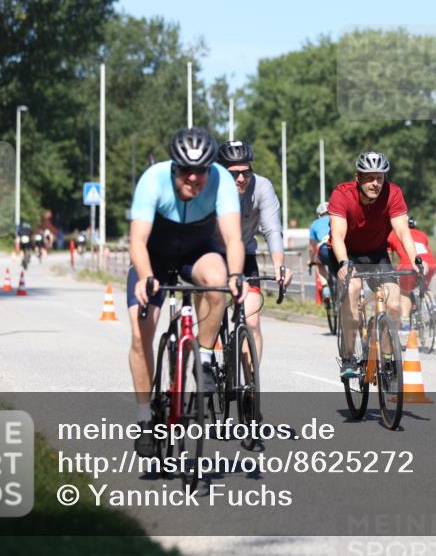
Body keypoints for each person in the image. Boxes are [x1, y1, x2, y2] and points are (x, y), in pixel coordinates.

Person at [127, 127, 247, 457]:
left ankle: (204, 358)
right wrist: (145, 276)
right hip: (155, 256)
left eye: (202, 171)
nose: (194, 178)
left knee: (218, 280)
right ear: (173, 167)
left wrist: (236, 274)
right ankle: (144, 419)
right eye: (186, 171)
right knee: (141, 334)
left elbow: (233, 238)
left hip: (196, 251)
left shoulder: (221, 180)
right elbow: (137, 240)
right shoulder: (152, 180)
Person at [318, 151, 422, 379]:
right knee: (353, 290)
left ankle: (385, 358)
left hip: (376, 253)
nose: (376, 183)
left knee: (394, 302)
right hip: (346, 252)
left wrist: (414, 260)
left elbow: (403, 231)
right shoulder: (342, 194)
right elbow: (337, 234)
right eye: (370, 177)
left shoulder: (393, 193)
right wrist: (344, 264)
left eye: (380, 177)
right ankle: (348, 357)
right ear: (358, 177)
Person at [215, 139, 291, 366]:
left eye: (246, 172)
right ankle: (207, 361)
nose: (241, 178)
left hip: (245, 256)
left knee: (252, 321)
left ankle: (250, 384)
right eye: (234, 173)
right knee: (212, 311)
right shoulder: (210, 186)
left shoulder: (262, 187)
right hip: (214, 256)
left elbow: (272, 229)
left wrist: (279, 265)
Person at [387, 217, 436, 332]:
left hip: (408, 264)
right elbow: (426, 250)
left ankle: (405, 322)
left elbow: (389, 258)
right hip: (429, 263)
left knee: (405, 291)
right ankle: (433, 306)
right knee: (425, 287)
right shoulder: (422, 234)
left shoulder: (392, 235)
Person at [308, 202, 331, 292]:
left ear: (319, 214)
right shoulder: (337, 218)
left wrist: (311, 260)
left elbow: (311, 247)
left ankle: (325, 288)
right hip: (338, 248)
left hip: (324, 249)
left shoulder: (315, 224)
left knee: (319, 263)